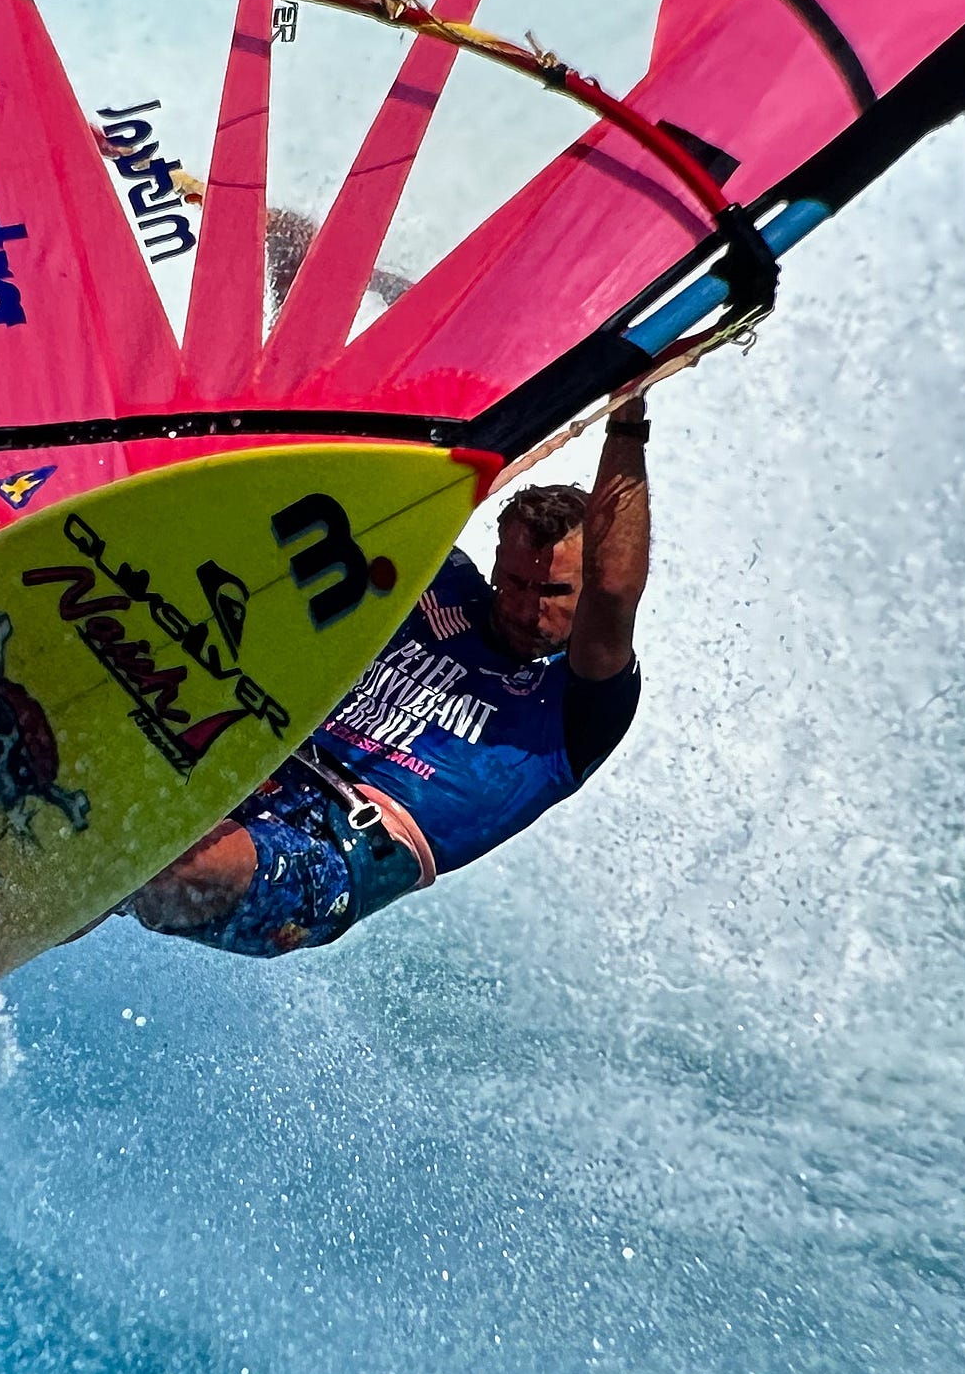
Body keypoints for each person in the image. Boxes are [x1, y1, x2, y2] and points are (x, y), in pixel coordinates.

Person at [111, 395, 652, 957]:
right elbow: (342, 472)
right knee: (99, 818)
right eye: (514, 582)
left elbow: (613, 589)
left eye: (554, 592)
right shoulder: (437, 582)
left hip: (334, 852)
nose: (525, 607)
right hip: (250, 762)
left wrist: (627, 418)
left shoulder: (578, 706)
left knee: (167, 867)